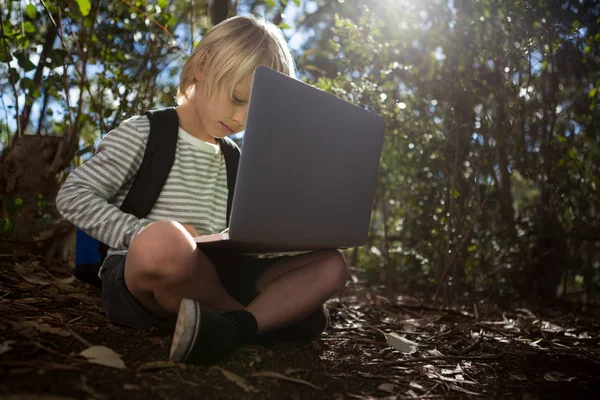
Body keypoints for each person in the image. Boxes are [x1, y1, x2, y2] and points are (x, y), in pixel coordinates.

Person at [56, 15, 348, 364]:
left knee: (332, 265)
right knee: (165, 242)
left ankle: (230, 328)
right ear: (202, 66)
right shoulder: (145, 132)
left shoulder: (238, 159)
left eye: (254, 113)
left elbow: (237, 236)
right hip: (153, 274)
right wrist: (142, 232)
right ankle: (262, 319)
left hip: (220, 274)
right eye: (238, 98)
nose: (240, 119)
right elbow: (72, 194)